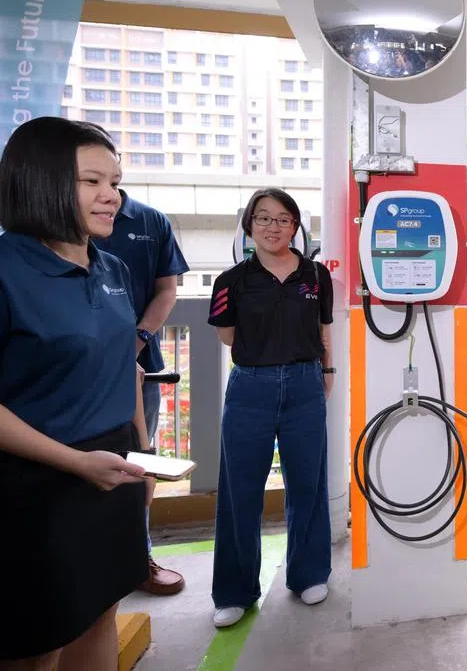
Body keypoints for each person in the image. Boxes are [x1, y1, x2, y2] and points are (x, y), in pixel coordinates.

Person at [0, 117, 153, 670]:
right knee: (34, 650)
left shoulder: (112, 268)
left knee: (101, 616)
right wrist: (75, 462)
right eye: (92, 182)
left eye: (115, 182)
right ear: (41, 183)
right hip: (30, 492)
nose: (112, 196)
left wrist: (144, 454)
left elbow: (123, 366)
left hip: (112, 470)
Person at [207, 187, 335, 628]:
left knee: (308, 484)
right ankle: (234, 591)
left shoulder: (316, 275)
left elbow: (324, 328)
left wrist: (327, 371)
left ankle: (309, 574)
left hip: (305, 385)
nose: (272, 227)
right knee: (240, 491)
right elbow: (227, 335)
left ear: (295, 227)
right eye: (263, 218)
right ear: (249, 226)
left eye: (283, 219)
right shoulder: (231, 281)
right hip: (251, 388)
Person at [93, 189, 190, 595]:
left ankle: (138, 558)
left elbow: (167, 290)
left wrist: (137, 342)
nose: (103, 190)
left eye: (110, 176)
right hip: (75, 376)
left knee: (137, 462)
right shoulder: (49, 227)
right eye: (90, 178)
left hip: (140, 369)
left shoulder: (150, 222)